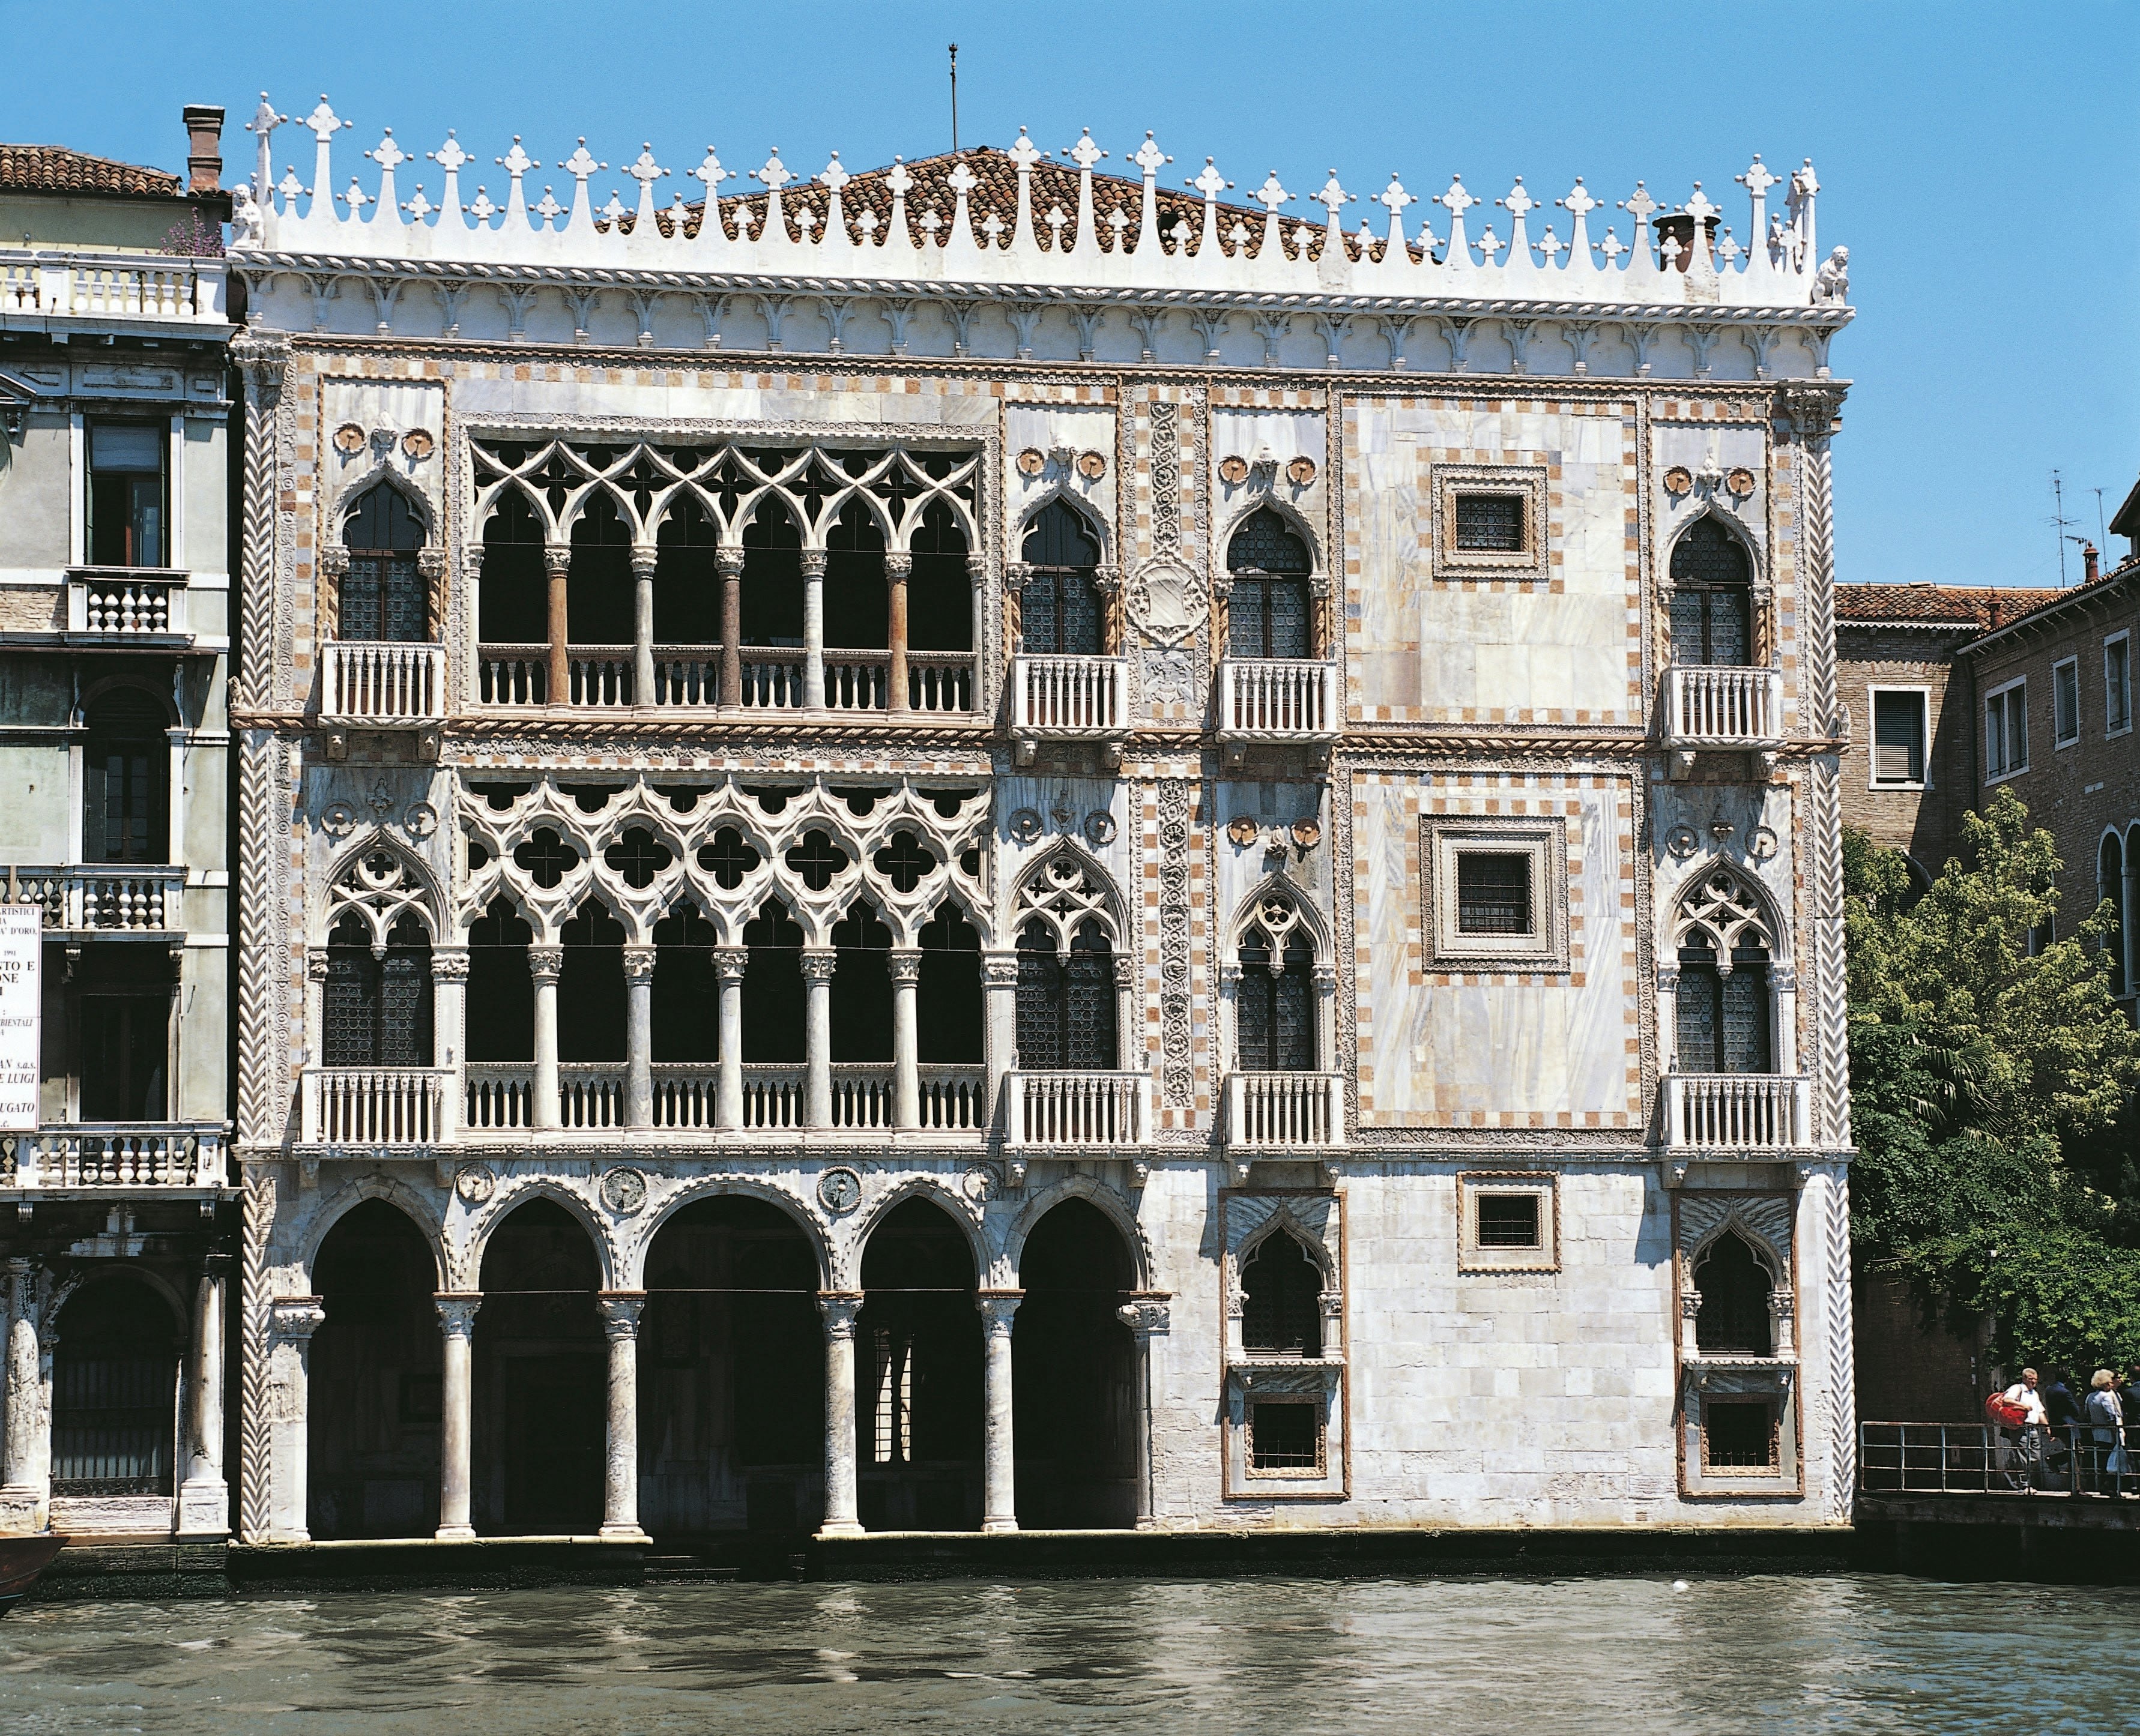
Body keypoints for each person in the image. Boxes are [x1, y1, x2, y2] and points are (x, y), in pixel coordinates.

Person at [1996, 1368, 2049, 1490]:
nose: (2033, 1382)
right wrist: (2023, 1406)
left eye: (2035, 1380)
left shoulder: (2034, 1394)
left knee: (2036, 1457)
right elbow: (2006, 1400)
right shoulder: (2017, 1388)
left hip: (2033, 1428)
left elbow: (2040, 1412)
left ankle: (2013, 1472)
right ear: (2024, 1379)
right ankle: (2023, 1484)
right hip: (2019, 1427)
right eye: (2031, 1379)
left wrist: (2047, 1427)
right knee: (2023, 1457)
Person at [2084, 1369, 2127, 1496]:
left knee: (2103, 1461)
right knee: (2113, 1461)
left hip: (2097, 1433)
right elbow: (2111, 1417)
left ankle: (2103, 1486)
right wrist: (2117, 1434)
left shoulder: (2090, 1396)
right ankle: (2112, 1488)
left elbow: (2087, 1414)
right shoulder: (2107, 1397)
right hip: (2110, 1434)